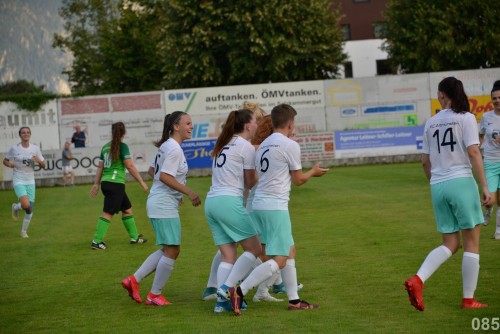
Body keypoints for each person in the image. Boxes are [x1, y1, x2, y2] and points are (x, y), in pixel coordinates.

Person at [225, 104, 329, 316]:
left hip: (257, 205)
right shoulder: (289, 145)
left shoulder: (264, 144)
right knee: (280, 258)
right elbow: (298, 180)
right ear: (290, 123)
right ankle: (239, 290)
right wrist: (314, 172)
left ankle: (294, 300)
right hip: (275, 206)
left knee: (287, 251)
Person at [404, 77, 490, 311]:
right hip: (461, 182)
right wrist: (484, 186)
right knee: (471, 243)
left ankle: (418, 279)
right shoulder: (467, 118)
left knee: (451, 243)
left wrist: (436, 184)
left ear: (442, 95)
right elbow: (473, 152)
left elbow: (424, 162)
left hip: (438, 186)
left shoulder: (431, 122)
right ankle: (468, 300)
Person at [121, 112, 201, 306]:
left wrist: (175, 192)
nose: (191, 127)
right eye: (188, 123)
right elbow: (164, 176)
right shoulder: (174, 149)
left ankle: (134, 280)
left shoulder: (166, 146)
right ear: (176, 126)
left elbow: (152, 171)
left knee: (168, 248)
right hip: (162, 203)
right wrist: (187, 192)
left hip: (161, 201)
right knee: (173, 249)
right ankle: (154, 294)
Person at [204, 108, 264, 314]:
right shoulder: (245, 146)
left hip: (211, 202)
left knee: (228, 254)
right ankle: (225, 289)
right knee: (255, 249)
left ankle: (222, 304)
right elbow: (249, 182)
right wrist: (261, 177)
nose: (257, 124)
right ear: (247, 125)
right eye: (255, 121)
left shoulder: (223, 143)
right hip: (229, 202)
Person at [89, 122, 148, 250]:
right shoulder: (123, 147)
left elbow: (100, 167)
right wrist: (142, 182)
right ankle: (96, 241)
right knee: (108, 213)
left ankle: (135, 237)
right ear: (124, 133)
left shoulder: (105, 147)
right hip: (116, 185)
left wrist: (96, 184)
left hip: (107, 183)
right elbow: (130, 166)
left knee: (127, 209)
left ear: (112, 132)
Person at [3, 127, 46, 238]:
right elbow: (5, 161)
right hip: (18, 179)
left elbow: (43, 165)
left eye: (27, 132)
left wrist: (39, 161)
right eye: (23, 133)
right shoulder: (14, 148)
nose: (25, 134)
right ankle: (18, 207)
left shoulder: (35, 148)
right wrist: (10, 164)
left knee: (29, 209)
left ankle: (23, 231)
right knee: (26, 204)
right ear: (20, 135)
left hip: (30, 181)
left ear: (30, 134)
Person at [479, 80, 500, 239]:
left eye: (499, 97)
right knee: (490, 199)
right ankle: (488, 210)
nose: (497, 100)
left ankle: (498, 229)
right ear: (491, 100)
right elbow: (480, 136)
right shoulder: (486, 117)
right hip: (490, 162)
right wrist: (477, 151)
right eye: (494, 98)